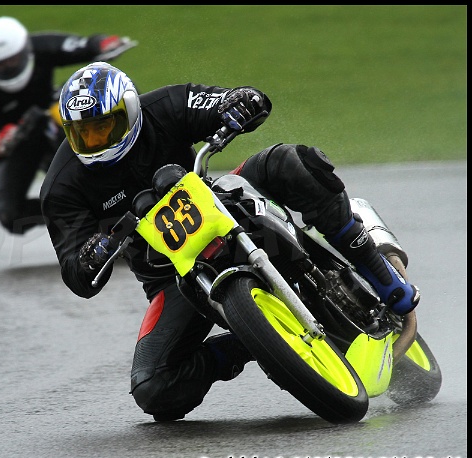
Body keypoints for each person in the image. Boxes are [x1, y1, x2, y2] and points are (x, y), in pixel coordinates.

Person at [39, 62, 421, 422]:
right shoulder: (61, 187)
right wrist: (96, 250)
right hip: (170, 274)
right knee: (153, 387)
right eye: (83, 133)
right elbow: (76, 273)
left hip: (223, 200)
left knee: (292, 161)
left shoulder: (165, 105)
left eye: (105, 127)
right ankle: (251, 341)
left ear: (131, 110)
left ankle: (378, 268)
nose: (95, 141)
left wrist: (239, 104)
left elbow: (241, 98)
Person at [0, 16, 136, 235]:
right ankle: (77, 216)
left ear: (25, 49)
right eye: (0, 64)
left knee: (80, 115)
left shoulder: (39, 48)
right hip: (19, 142)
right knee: (10, 214)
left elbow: (80, 45)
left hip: (54, 120)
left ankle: (121, 176)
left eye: (13, 59)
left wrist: (103, 43)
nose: (9, 66)